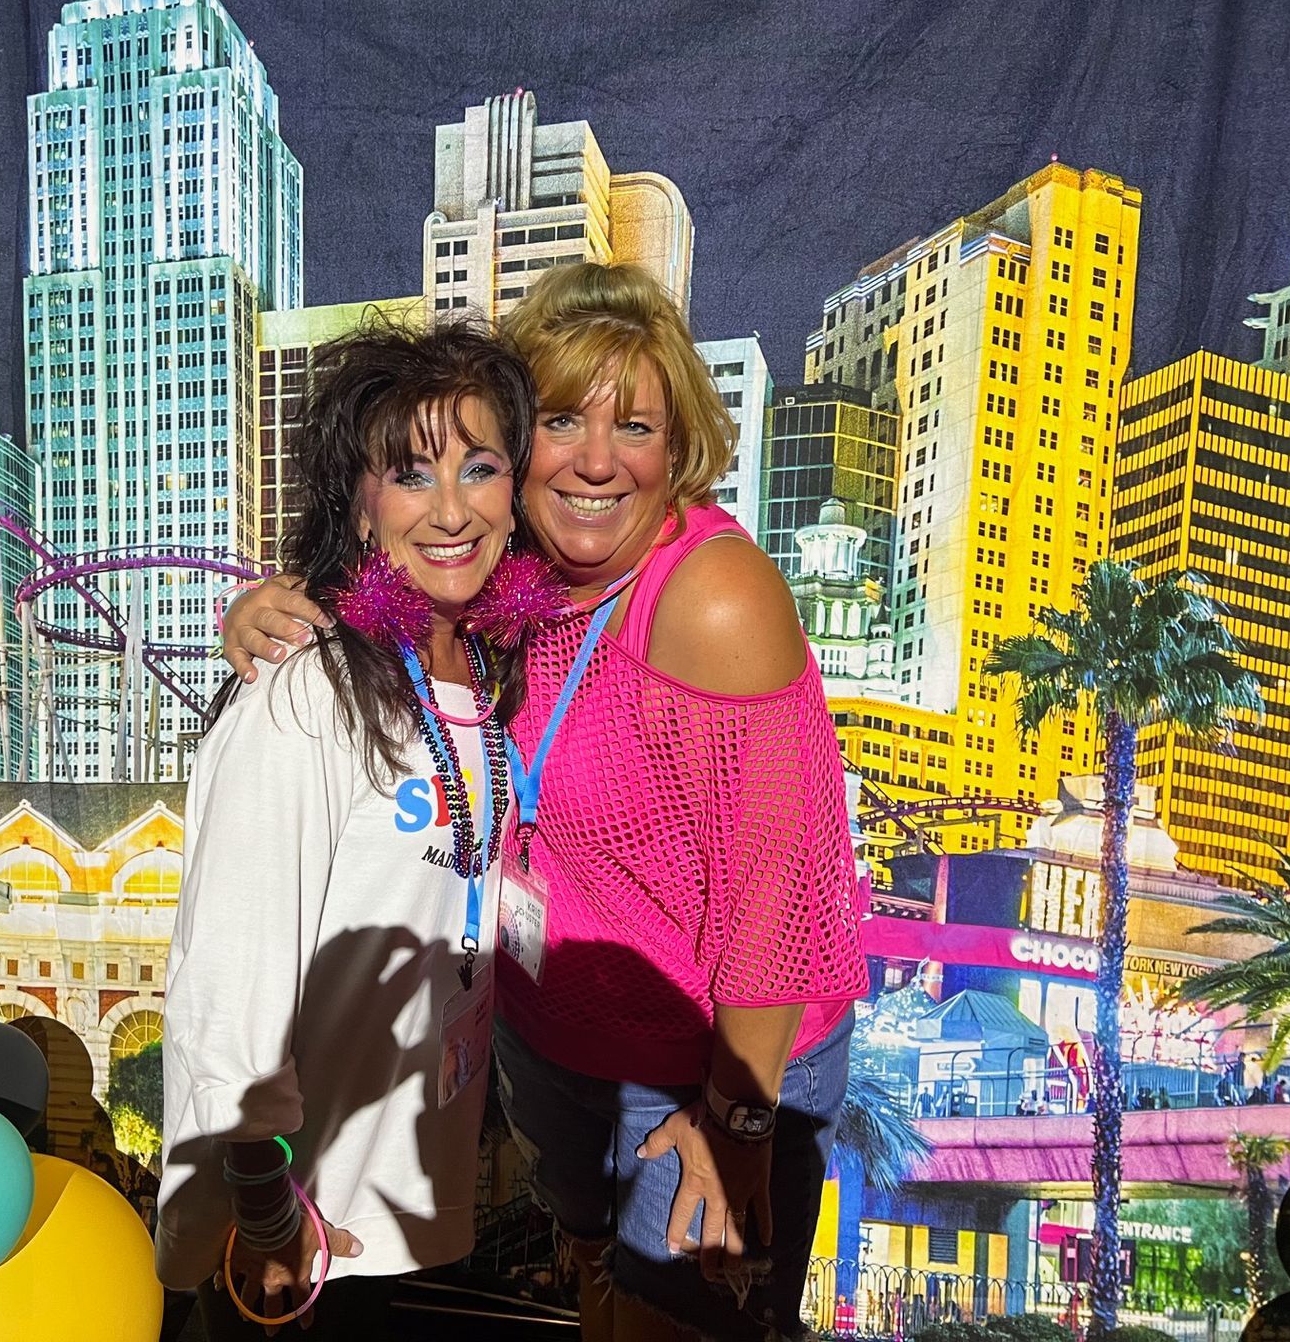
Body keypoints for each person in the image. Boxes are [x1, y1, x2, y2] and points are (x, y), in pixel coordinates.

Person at [223, 262, 867, 1342]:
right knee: (598, 1305)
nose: (598, 460)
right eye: (564, 419)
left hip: (717, 1069)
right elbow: (384, 582)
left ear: (678, 447)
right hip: (554, 1050)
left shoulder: (712, 599)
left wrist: (739, 1123)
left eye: (637, 427)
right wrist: (274, 605)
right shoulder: (503, 575)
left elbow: (778, 901)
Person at [154, 320, 541, 1338]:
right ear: (361, 508)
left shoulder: (495, 673)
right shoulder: (308, 689)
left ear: (515, 493)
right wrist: (263, 1203)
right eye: (411, 475)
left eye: (480, 467)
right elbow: (231, 972)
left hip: (404, 1199)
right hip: (298, 1235)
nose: (451, 509)